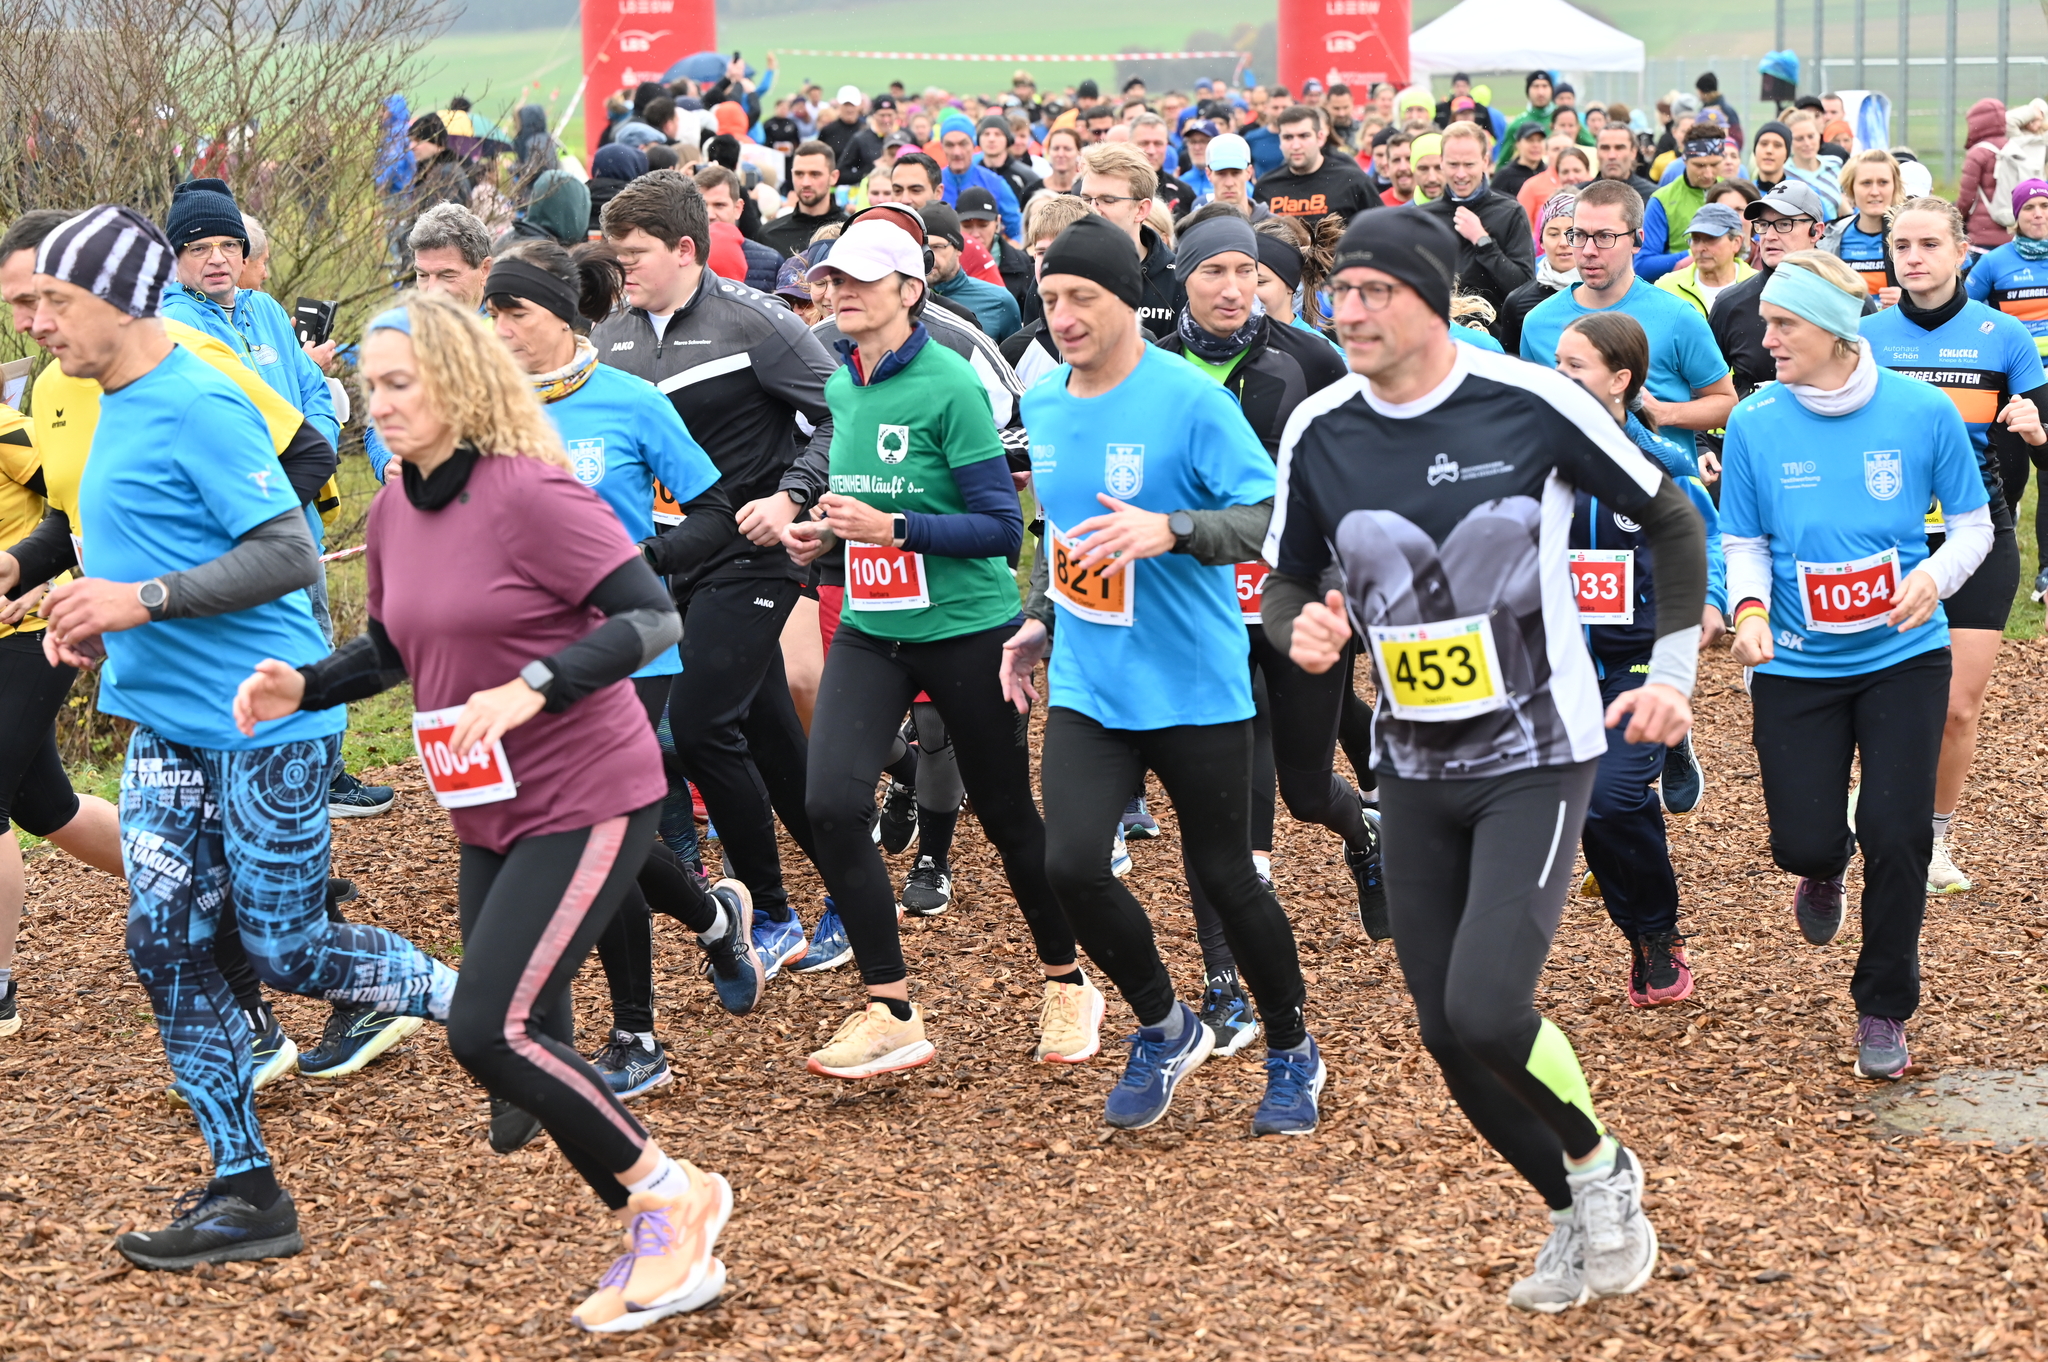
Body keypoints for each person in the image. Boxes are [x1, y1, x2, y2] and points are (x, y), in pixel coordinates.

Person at [234, 291, 733, 1331]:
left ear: (461, 385)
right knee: (522, 1036)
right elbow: (393, 646)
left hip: (589, 789)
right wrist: (306, 686)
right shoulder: (393, 510)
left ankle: (674, 1198)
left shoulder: (530, 493)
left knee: (485, 1027)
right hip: (487, 806)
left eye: (400, 384)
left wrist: (535, 686)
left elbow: (650, 619)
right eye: (370, 387)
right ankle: (655, 1225)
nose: (379, 405)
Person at [1265, 208, 1697, 1312]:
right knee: (1445, 1033)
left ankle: (1602, 1167)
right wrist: (1299, 626)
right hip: (1414, 767)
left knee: (1491, 1008)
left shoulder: (1530, 401)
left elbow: (1670, 520)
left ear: (1427, 298)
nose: (1348, 312)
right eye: (1338, 292)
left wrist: (1672, 671)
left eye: (1373, 292)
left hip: (1538, 752)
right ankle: (1565, 1211)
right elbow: (1287, 577)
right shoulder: (1318, 426)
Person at [25, 206, 459, 1271]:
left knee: (288, 948)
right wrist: (85, 604)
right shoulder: (102, 398)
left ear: (119, 299)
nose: (35, 323)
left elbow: (287, 556)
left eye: (53, 302)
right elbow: (130, 537)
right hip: (167, 730)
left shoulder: (200, 400)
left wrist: (143, 600)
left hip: (266, 721)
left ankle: (495, 1012)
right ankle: (245, 1189)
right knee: (162, 943)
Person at [1000, 214, 1323, 1135]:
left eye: (1082, 298)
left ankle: (1292, 1048)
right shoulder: (1046, 402)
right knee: (1070, 866)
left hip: (1192, 682)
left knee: (1227, 877)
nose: (1062, 316)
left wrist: (1173, 529)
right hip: (1090, 681)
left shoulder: (1189, 401)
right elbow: (1064, 531)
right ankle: (1164, 1024)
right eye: (1050, 298)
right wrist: (1039, 616)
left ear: (1125, 299)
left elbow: (1271, 516)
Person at [778, 218, 1094, 1076]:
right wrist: (826, 537)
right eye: (833, 279)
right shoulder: (842, 383)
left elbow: (999, 530)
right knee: (830, 805)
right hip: (874, 630)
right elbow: (866, 507)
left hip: (966, 631)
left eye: (861, 280)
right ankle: (890, 1007)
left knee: (1008, 818)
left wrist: (894, 528)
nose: (840, 292)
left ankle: (1067, 981)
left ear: (910, 292)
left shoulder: (950, 382)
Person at [482, 238, 767, 1105]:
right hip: (524, 658)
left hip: (632, 650)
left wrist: (649, 560)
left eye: (511, 312)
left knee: (593, 835)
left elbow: (715, 508)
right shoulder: (482, 412)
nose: (496, 329)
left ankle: (636, 1035)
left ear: (559, 315)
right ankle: (713, 918)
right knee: (599, 834)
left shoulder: (632, 402)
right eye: (490, 313)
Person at [1720, 250, 1991, 1083]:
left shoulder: (1921, 410)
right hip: (1797, 664)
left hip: (1903, 656)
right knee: (1802, 841)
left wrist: (1932, 578)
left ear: (1834, 330)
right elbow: (1744, 540)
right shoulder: (1756, 420)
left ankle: (1883, 1007)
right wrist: (1750, 611)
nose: (1766, 339)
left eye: (1783, 324)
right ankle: (1821, 865)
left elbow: (1975, 526)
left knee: (1898, 835)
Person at [594, 171, 838, 980]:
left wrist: (793, 493)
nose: (622, 270)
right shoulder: (611, 335)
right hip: (675, 563)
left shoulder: (755, 321)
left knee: (699, 729)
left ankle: (771, 912)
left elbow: (844, 414)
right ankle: (850, 885)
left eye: (634, 255)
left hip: (752, 553)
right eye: (614, 255)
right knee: (768, 734)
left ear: (684, 249)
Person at [1144, 208, 1378, 1051]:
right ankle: (1224, 982)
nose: (1235, 287)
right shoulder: (1153, 369)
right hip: (1197, 606)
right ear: (1184, 281)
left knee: (1305, 792)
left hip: (1297, 597)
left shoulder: (1312, 359)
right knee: (1219, 808)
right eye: (1215, 271)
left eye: (1247, 271)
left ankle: (1365, 831)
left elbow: (1356, 474)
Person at [1863, 198, 2048, 893]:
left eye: (1929, 244)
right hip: (1887, 540)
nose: (1913, 257)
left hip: (1980, 534)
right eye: (1902, 246)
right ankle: (1876, 808)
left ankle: (1933, 839)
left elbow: (2047, 450)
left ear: (1962, 252)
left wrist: (2035, 431)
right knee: (1877, 698)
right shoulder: (1866, 338)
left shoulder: (2004, 335)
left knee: (1957, 707)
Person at [1555, 312, 1726, 1006]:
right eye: (1556, 364)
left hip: (1639, 661)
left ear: (1619, 380)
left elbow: (1707, 541)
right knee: (1586, 806)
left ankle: (1656, 934)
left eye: (1575, 366)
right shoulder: (1528, 462)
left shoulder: (1664, 465)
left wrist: (1710, 600)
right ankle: (1638, 931)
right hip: (1559, 666)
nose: (1559, 377)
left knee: (1610, 796)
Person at [0, 213, 129, 1044]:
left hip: (34, 625)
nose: (27, 322)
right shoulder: (49, 385)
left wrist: (30, 571)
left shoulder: (17, 416)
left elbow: (62, 495)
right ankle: (198, 883)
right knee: (47, 806)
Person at [1520, 179, 1737, 485]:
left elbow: (1728, 403)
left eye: (1605, 237)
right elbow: (1531, 417)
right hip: (1575, 497)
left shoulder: (1678, 317)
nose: (1589, 251)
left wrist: (1664, 413)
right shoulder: (1537, 322)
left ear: (1637, 240)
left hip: (1662, 498)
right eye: (1579, 235)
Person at [1710, 181, 1875, 400]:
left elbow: (1875, 383)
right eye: (1763, 225)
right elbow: (1704, 389)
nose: (1769, 235)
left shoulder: (1851, 300)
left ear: (1816, 231)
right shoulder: (1730, 303)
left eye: (1784, 224)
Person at [1417, 122, 1536, 321]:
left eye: (1469, 165)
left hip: (1493, 332)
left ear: (1485, 161)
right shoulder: (1423, 217)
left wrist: (1484, 242)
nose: (1461, 174)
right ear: (1442, 162)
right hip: (1437, 329)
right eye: (1453, 164)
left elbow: (1524, 288)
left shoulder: (1510, 213)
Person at [1079, 141, 1184, 339]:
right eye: (1085, 199)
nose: (1092, 209)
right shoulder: (1057, 270)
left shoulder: (1179, 280)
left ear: (1141, 209)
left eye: (1108, 200)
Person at [1965, 178, 2048, 365]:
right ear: (2016, 215)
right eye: (2029, 207)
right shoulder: (1993, 262)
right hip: (2015, 365)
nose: (2038, 214)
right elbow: (1963, 312)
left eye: (2045, 205)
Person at [1253, 105, 1378, 222]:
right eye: (1288, 137)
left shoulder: (1352, 181)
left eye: (1304, 136)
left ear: (1320, 138)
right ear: (1280, 140)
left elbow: (1379, 227)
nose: (1296, 146)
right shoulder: (1266, 186)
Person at [1637, 126, 1728, 282]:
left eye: (1715, 165)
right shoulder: (1662, 200)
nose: (1708, 174)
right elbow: (1642, 265)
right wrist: (1696, 253)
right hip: (1681, 288)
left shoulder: (1733, 194)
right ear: (1684, 159)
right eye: (1699, 165)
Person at [922, 203, 1021, 339]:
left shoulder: (999, 302)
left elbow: (1014, 351)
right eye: (921, 247)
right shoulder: (903, 299)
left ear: (958, 248)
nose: (928, 256)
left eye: (937, 247)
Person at [1501, 190, 1579, 356]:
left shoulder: (1605, 291)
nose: (1563, 242)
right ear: (1541, 242)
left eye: (1572, 233)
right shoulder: (1518, 302)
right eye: (1553, 234)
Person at [1824, 150, 1907, 301]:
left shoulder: (1913, 235)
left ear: (1895, 187)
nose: (1874, 192)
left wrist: (1908, 301)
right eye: (1866, 183)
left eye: (1883, 182)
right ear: (1850, 188)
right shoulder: (1829, 236)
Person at [1655, 202, 1755, 317]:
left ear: (1736, 242)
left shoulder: (1759, 285)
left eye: (1711, 239)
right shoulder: (1667, 287)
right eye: (1695, 239)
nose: (1700, 248)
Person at [756, 140, 848, 257]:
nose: (805, 182)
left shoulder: (850, 232)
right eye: (799, 174)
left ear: (833, 177)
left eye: (815, 174)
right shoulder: (769, 235)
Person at [1959, 99, 2016, 255]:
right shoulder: (2014, 148)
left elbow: (1967, 197)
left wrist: (1956, 218)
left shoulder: (1978, 153)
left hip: (1982, 235)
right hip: (2012, 231)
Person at [1516, 143, 1591, 231]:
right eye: (1565, 172)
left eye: (1577, 171)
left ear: (1588, 171)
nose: (1571, 177)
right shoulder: (1548, 205)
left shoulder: (1597, 197)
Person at [1782, 112, 1845, 215]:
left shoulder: (1834, 164)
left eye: (1811, 136)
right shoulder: (1784, 173)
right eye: (1799, 139)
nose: (1807, 143)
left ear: (1819, 135)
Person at [1203, 133, 1267, 223]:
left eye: (1236, 173)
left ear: (1249, 172)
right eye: (1221, 173)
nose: (1229, 183)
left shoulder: (1273, 226)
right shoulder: (1195, 225)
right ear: (1208, 174)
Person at [1495, 125, 1553, 202]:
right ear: (1518, 144)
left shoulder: (1549, 173)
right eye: (1530, 140)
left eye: (1539, 140)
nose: (1536, 145)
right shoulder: (1505, 176)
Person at [1377, 132, 1417, 207]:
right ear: (1387, 167)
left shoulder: (1433, 202)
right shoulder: (1378, 205)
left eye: (1409, 159)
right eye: (1396, 160)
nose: (1403, 167)